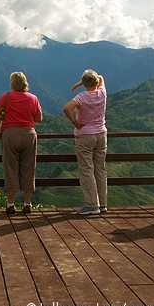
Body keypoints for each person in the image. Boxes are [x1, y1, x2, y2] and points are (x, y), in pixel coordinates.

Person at [0, 72, 43, 215]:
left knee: (10, 168)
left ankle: (10, 204)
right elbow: (38, 119)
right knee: (29, 168)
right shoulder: (33, 98)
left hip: (10, 134)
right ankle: (28, 204)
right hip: (28, 134)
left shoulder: (6, 97)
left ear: (12, 83)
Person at [63, 70, 107, 216]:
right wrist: (85, 81)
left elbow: (66, 108)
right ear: (96, 82)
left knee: (86, 169)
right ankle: (103, 205)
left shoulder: (81, 97)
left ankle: (91, 205)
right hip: (101, 134)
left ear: (85, 84)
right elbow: (101, 78)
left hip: (85, 136)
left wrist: (75, 122)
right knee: (100, 169)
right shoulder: (102, 93)